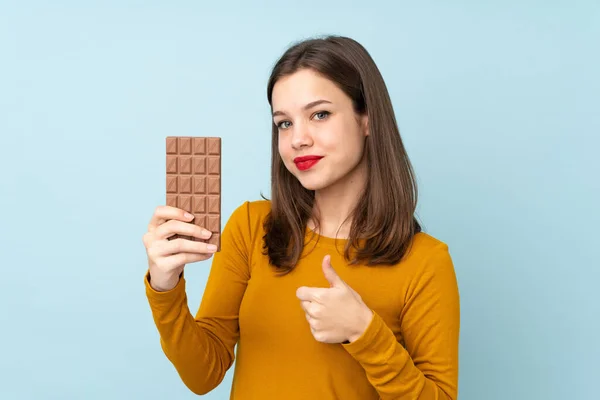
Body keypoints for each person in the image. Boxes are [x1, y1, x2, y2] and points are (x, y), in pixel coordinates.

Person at [142, 35, 460, 400]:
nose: (298, 140)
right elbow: (204, 374)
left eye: (320, 114)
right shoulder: (250, 227)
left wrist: (365, 334)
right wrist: (165, 287)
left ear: (367, 119)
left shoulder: (425, 261)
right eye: (284, 123)